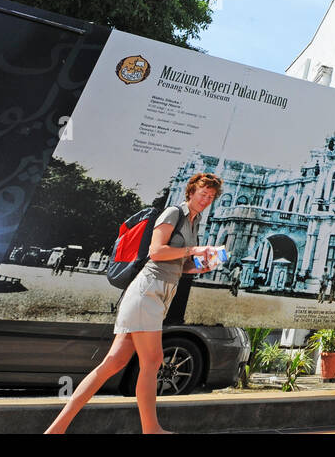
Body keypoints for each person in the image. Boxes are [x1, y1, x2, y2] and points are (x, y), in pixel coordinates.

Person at [45, 172, 222, 434]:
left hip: (162, 292)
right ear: (191, 192)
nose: (206, 199)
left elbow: (178, 265)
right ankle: (151, 430)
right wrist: (192, 250)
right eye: (203, 194)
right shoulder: (173, 213)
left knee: (113, 363)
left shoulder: (194, 223)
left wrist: (199, 266)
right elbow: (156, 252)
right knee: (153, 360)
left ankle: (56, 429)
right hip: (147, 291)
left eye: (211, 196)